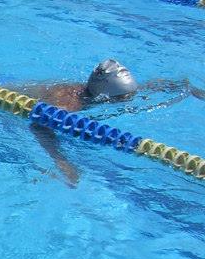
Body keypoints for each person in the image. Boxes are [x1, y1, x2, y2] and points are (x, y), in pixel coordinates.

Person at [26, 58, 204, 185]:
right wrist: (61, 161)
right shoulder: (67, 102)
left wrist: (196, 92)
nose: (129, 100)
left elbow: (172, 85)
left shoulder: (111, 90)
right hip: (14, 98)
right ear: (104, 96)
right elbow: (40, 125)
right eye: (123, 98)